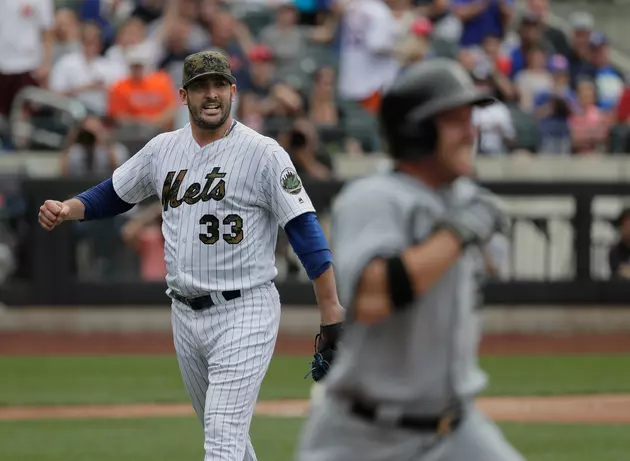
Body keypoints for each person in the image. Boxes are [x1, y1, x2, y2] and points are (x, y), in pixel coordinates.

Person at [37, 50, 345, 461]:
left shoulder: (264, 153)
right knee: (229, 438)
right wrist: (69, 208)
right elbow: (115, 192)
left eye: (219, 85)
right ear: (184, 95)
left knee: (221, 439)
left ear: (234, 90)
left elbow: (304, 229)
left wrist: (332, 312)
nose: (211, 94)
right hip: (184, 312)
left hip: (245, 309)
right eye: (201, 87)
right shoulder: (164, 148)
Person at [296, 58, 523, 461]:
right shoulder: (374, 197)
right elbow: (371, 299)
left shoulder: (466, 199)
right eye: (454, 120)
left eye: (470, 119)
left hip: (456, 431)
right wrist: (458, 232)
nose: (471, 132)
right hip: (364, 436)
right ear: (415, 131)